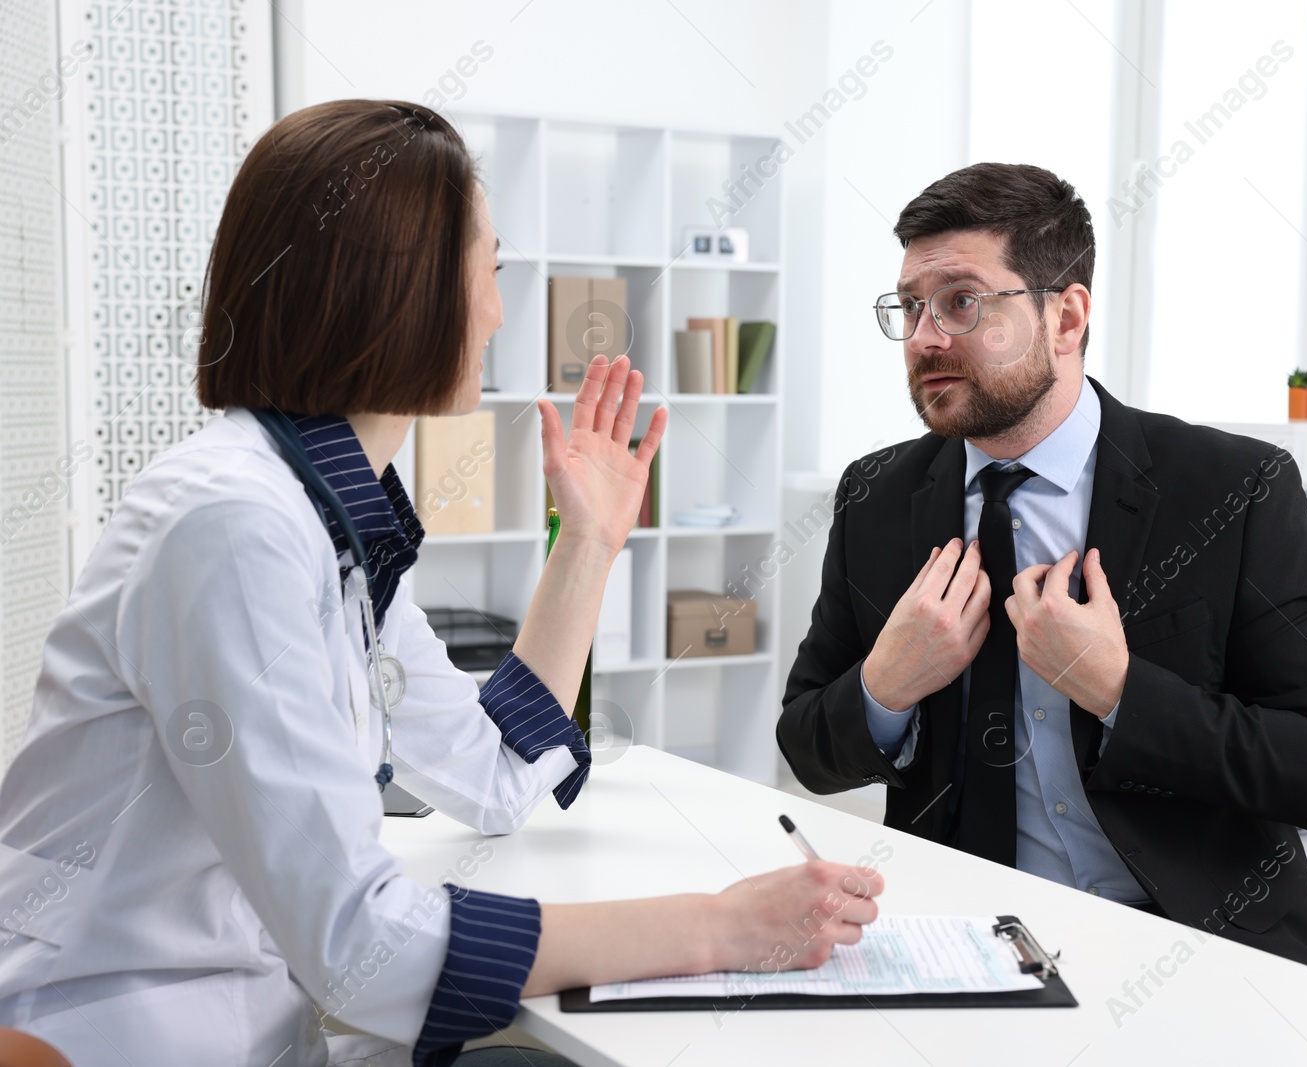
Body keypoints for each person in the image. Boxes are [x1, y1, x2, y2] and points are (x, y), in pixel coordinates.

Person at [0, 100, 882, 1066]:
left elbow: (491, 773)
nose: (500, 311)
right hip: (116, 1032)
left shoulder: (329, 517)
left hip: (242, 1020)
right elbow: (363, 950)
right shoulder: (233, 524)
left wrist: (585, 543)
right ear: (403, 288)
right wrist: (720, 928)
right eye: (491, 270)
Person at [779, 163, 1307, 975]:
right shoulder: (876, 495)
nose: (924, 337)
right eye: (911, 307)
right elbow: (807, 750)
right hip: (963, 949)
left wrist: (1122, 690)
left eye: (960, 301)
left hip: (1196, 949)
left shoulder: (1234, 488)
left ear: (1066, 316)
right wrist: (885, 685)